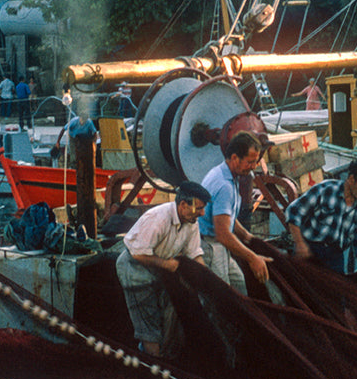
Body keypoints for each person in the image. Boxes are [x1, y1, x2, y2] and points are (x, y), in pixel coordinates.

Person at [115, 181, 211, 356]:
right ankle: (154, 363)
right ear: (183, 205)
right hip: (135, 268)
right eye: (199, 208)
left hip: (160, 268)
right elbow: (138, 254)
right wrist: (167, 265)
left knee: (170, 311)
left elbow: (194, 253)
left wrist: (206, 279)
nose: (203, 213)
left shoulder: (191, 221)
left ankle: (164, 357)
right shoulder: (158, 218)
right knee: (147, 320)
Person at [199, 130, 271, 292]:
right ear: (234, 158)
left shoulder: (224, 173)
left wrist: (246, 236)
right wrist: (253, 258)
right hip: (210, 245)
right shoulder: (224, 185)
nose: (253, 167)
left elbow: (226, 214)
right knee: (223, 298)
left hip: (219, 243)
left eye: (256, 162)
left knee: (239, 287)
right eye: (250, 162)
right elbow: (223, 234)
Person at [285, 159, 357, 276]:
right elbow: (293, 212)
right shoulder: (326, 190)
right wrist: (299, 244)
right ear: (351, 180)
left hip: (335, 256)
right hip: (311, 249)